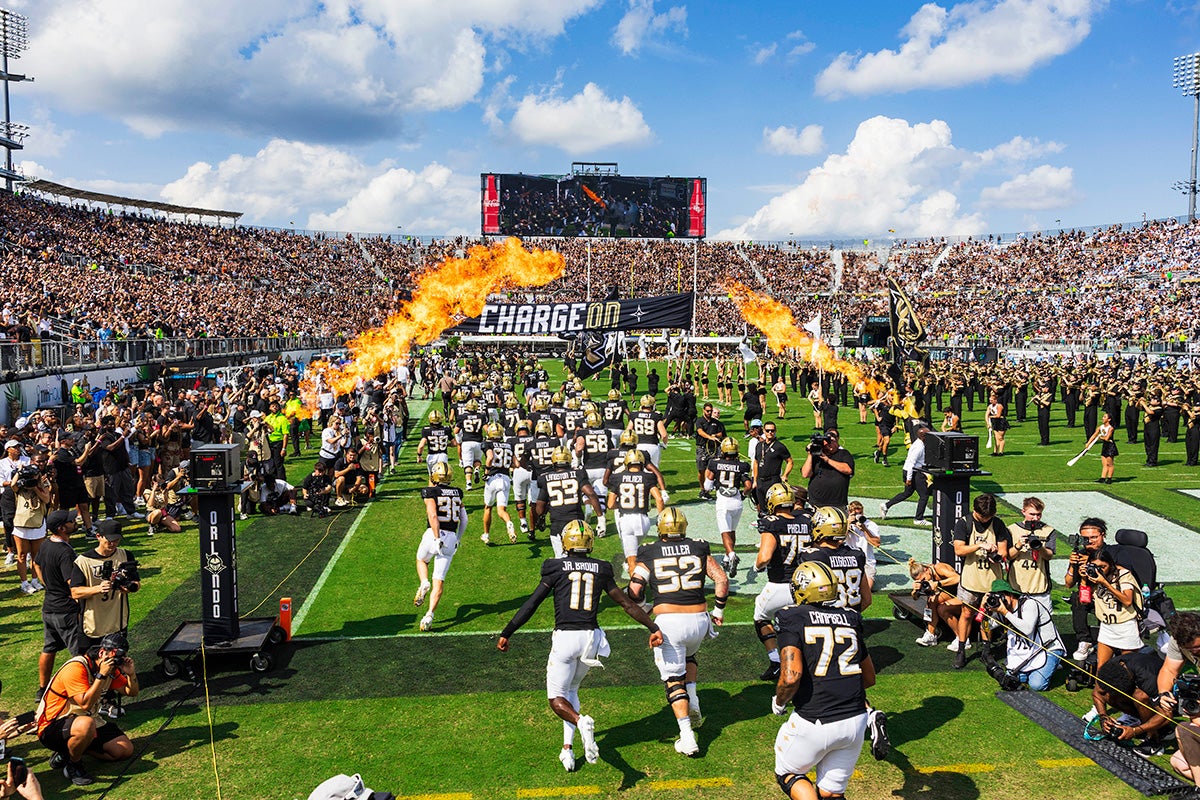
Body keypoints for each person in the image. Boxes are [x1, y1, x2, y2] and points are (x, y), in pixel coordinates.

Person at [497, 520, 662, 772]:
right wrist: (653, 628)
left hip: (566, 637)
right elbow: (627, 605)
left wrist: (508, 631)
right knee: (571, 690)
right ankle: (567, 749)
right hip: (591, 639)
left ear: (566, 542)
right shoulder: (601, 568)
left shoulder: (554, 566)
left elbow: (531, 604)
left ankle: (580, 720)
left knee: (556, 699)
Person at [627, 507, 728, 757]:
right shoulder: (699, 547)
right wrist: (719, 611)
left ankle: (687, 736)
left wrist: (645, 609)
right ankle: (692, 696)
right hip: (699, 620)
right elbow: (721, 579)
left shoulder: (649, 551)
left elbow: (634, 590)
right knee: (690, 657)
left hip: (670, 622)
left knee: (673, 680)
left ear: (661, 528)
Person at [771, 561, 876, 800]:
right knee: (830, 792)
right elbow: (869, 678)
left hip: (815, 718)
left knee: (788, 773)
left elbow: (791, 676)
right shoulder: (850, 617)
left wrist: (779, 701)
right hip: (856, 720)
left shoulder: (791, 616)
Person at [35, 631, 139, 787]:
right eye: (115, 655)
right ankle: (73, 765)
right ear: (102, 652)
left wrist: (131, 674)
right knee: (86, 724)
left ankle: (70, 750)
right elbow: (85, 704)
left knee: (124, 750)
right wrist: (101, 676)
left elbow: (132, 692)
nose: (116, 661)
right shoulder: (76, 668)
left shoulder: (110, 667)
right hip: (53, 725)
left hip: (88, 721)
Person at [72, 519, 140, 718]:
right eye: (109, 540)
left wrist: (129, 587)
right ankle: (89, 702)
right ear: (98, 536)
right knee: (90, 665)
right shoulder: (82, 561)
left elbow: (136, 584)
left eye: (116, 540)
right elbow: (75, 592)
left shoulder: (126, 555)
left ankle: (108, 700)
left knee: (115, 664)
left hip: (117, 621)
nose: (113, 544)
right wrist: (96, 588)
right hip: (91, 623)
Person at [752, 483, 813, 681]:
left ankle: (776, 661)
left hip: (780, 583)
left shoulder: (772, 523)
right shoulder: (807, 520)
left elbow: (765, 557)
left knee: (760, 616)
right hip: (807, 585)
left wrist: (757, 566)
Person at [950, 493, 1011, 668]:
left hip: (992, 581)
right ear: (975, 511)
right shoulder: (964, 523)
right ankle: (961, 649)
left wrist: (996, 555)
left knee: (987, 615)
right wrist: (979, 545)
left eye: (989, 516)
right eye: (982, 516)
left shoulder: (998, 524)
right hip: (970, 579)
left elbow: (1004, 552)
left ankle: (986, 650)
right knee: (967, 614)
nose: (985, 520)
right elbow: (959, 550)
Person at [34, 510, 88, 701]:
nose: (75, 521)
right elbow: (72, 584)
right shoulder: (65, 552)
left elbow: (36, 564)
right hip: (65, 611)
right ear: (61, 528)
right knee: (79, 653)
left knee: (49, 648)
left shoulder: (46, 544)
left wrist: (47, 584)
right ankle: (79, 693)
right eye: (71, 521)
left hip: (49, 607)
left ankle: (42, 690)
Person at [981, 579, 1065, 691]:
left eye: (1002, 596)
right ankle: (1039, 669)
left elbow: (1027, 629)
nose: (1000, 601)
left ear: (1011, 595)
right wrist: (984, 610)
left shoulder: (1029, 604)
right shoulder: (1001, 610)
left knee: (1037, 685)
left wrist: (1005, 613)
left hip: (1047, 648)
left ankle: (1053, 662)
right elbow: (986, 628)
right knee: (1012, 680)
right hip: (1027, 650)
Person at [413, 462, 467, 632]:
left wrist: (436, 537)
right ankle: (429, 615)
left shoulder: (430, 492)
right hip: (451, 537)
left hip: (434, 534)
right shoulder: (458, 492)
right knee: (440, 580)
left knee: (421, 559)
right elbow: (464, 519)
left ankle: (423, 582)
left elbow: (433, 514)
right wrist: (458, 538)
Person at [1089, 650, 1173, 757]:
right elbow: (1097, 693)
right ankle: (1161, 728)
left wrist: (1135, 731)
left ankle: (1154, 741)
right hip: (1141, 685)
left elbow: (1166, 715)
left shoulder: (1148, 678)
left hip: (1169, 699)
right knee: (1109, 696)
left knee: (1140, 696)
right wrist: (1103, 717)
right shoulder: (1110, 669)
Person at [534, 447, 604, 558]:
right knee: (581, 558)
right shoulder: (578, 474)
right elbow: (590, 494)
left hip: (557, 525)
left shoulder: (545, 478)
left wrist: (541, 517)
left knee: (561, 561)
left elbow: (539, 507)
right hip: (578, 525)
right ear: (569, 459)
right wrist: (601, 518)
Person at [798, 506, 872, 613]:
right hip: (851, 620)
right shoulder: (857, 554)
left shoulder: (813, 556)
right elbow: (867, 600)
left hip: (824, 619)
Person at [606, 449, 664, 578]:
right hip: (644, 521)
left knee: (632, 563)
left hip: (626, 520)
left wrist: (621, 506)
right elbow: (659, 499)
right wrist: (660, 519)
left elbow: (610, 504)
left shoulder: (617, 477)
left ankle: (636, 595)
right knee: (635, 553)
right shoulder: (648, 477)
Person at [1086, 547, 1143, 671]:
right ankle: (1101, 690)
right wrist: (1083, 578)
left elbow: (1127, 600)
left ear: (1111, 565)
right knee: (1101, 669)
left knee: (1128, 669)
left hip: (1126, 626)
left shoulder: (1124, 575)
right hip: (1107, 626)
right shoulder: (1092, 575)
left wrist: (1106, 583)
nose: (1099, 570)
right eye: (1095, 566)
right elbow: (1083, 598)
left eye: (1103, 567)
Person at [705, 436, 753, 577]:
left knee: (725, 532)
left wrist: (712, 486)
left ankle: (731, 555)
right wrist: (743, 495)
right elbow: (748, 486)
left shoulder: (715, 463)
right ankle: (726, 559)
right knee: (732, 531)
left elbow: (707, 486)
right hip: (737, 501)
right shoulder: (742, 465)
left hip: (723, 501)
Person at [1063, 518, 1109, 661]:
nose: (1090, 541)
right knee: (1077, 597)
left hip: (1109, 594)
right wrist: (1072, 565)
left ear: (1103, 535)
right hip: (1088, 594)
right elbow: (1068, 583)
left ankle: (1107, 640)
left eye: (1094, 537)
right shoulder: (1081, 553)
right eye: (1086, 538)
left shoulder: (1110, 553)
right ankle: (1084, 640)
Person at [1006, 497, 1057, 611]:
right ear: (1023, 511)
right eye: (1032, 514)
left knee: (1044, 626)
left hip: (1039, 588)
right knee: (1016, 624)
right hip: (1016, 587)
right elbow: (1008, 556)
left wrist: (1039, 547)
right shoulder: (1011, 529)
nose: (1035, 518)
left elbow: (1049, 556)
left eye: (1039, 515)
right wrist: (1018, 545)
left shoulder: (1048, 530)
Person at [880, 423, 931, 525]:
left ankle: (886, 505)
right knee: (924, 495)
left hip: (910, 470)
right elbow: (912, 463)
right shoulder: (919, 447)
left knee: (907, 493)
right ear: (924, 436)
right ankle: (918, 519)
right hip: (913, 472)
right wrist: (909, 478)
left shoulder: (918, 443)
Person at [908, 558, 962, 646]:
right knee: (930, 604)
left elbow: (958, 578)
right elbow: (915, 598)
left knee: (933, 601)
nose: (924, 582)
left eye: (924, 579)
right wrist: (915, 591)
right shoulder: (925, 579)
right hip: (950, 596)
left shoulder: (939, 568)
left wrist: (938, 584)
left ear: (926, 570)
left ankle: (961, 638)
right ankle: (930, 634)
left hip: (961, 595)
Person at [800, 429, 854, 510]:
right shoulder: (816, 455)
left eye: (832, 441)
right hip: (816, 502)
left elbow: (848, 470)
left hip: (837, 503)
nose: (830, 444)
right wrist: (810, 454)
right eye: (827, 442)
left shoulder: (843, 454)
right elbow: (805, 474)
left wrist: (827, 460)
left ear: (837, 442)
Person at [753, 422, 792, 514]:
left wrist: (785, 475)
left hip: (772, 481)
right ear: (763, 431)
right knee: (762, 507)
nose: (770, 432)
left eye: (772, 430)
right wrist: (755, 480)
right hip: (760, 480)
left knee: (773, 507)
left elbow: (790, 461)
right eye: (767, 430)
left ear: (775, 431)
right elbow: (756, 462)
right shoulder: (759, 445)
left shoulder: (779, 446)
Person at [844, 501, 880, 589]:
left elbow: (877, 544)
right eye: (856, 513)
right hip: (849, 561)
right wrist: (848, 524)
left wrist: (865, 530)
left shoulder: (871, 525)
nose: (858, 515)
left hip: (867, 564)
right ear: (849, 513)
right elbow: (839, 541)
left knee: (866, 590)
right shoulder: (844, 523)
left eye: (860, 513)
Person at [693, 404, 725, 500]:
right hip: (702, 448)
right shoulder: (699, 421)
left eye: (710, 411)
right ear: (703, 410)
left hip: (713, 449)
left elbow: (721, 433)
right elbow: (700, 431)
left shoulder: (716, 422)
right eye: (707, 411)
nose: (709, 413)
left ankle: (706, 490)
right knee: (701, 470)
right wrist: (709, 437)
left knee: (710, 469)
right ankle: (702, 488)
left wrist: (716, 435)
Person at [1083, 411, 1119, 484]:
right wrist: (1088, 443)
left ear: (1109, 419)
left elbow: (1106, 438)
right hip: (1105, 446)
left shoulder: (1110, 428)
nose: (1103, 418)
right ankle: (1102, 478)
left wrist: (1100, 437)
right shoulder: (1100, 427)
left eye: (1105, 417)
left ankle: (1109, 478)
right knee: (1104, 463)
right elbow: (1094, 435)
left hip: (1110, 446)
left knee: (1110, 464)